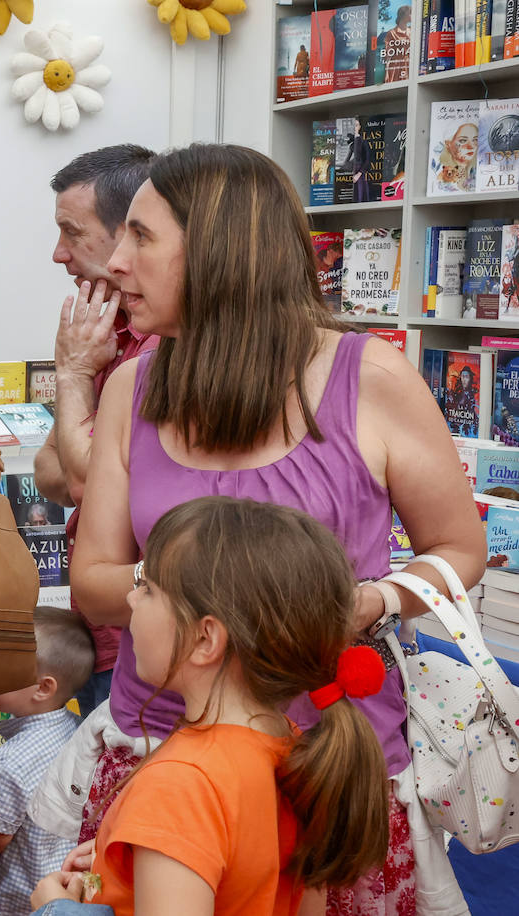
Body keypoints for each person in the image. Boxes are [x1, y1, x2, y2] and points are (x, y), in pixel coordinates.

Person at [41, 143, 484, 916]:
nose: (114, 262)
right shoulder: (132, 389)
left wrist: (371, 602)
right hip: (164, 755)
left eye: (142, 237)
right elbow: (93, 579)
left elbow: (459, 551)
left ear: (220, 251)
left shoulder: (371, 379)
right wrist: (246, 604)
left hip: (329, 771)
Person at [33, 497, 391, 916]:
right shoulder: (296, 751)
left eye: (147, 588)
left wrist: (57, 909)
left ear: (205, 640)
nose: (131, 600)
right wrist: (141, 852)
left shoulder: (180, 785)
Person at [33, 144, 158, 717]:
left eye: (72, 232)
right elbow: (47, 471)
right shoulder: (100, 324)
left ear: (132, 234)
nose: (58, 254)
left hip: (143, 629)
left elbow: (83, 480)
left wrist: (75, 373)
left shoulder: (162, 345)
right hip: (96, 627)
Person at [0, 607, 95, 916]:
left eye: (1, 668)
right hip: (58, 884)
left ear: (44, 688)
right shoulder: (75, 728)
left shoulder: (14, 759)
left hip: (14, 899)